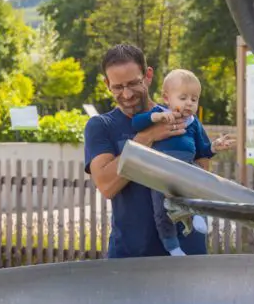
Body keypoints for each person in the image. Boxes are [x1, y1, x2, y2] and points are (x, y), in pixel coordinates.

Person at [84, 44, 229, 258]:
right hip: (132, 256)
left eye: (134, 83)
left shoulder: (182, 117)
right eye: (118, 87)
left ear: (148, 76)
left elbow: (201, 170)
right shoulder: (101, 126)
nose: (127, 94)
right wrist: (146, 138)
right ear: (107, 84)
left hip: (188, 250)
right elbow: (106, 186)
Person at [132, 68, 236, 256]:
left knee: (197, 186)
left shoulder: (193, 123)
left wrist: (214, 147)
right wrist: (156, 117)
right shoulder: (159, 113)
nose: (189, 103)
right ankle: (172, 246)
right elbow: (136, 123)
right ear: (166, 98)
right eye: (183, 98)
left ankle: (197, 215)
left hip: (186, 166)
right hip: (160, 172)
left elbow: (202, 151)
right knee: (162, 211)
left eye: (194, 99)